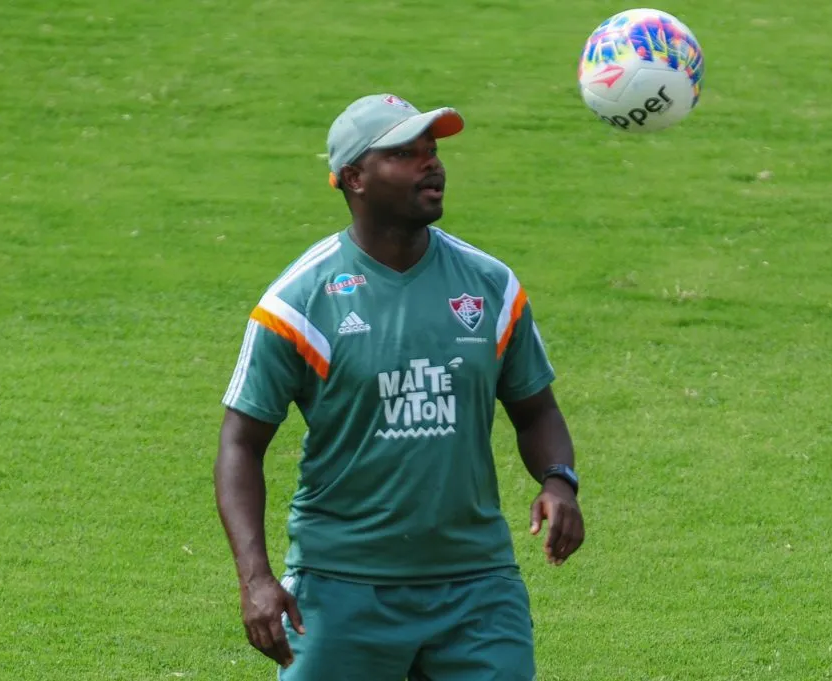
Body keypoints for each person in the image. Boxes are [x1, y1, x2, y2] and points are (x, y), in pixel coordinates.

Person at [214, 92, 585, 681]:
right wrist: (255, 578)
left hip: (477, 588)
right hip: (341, 587)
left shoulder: (490, 286)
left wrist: (559, 482)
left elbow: (536, 410)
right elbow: (240, 443)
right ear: (354, 178)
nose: (431, 163)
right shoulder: (298, 303)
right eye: (404, 154)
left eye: (432, 150)